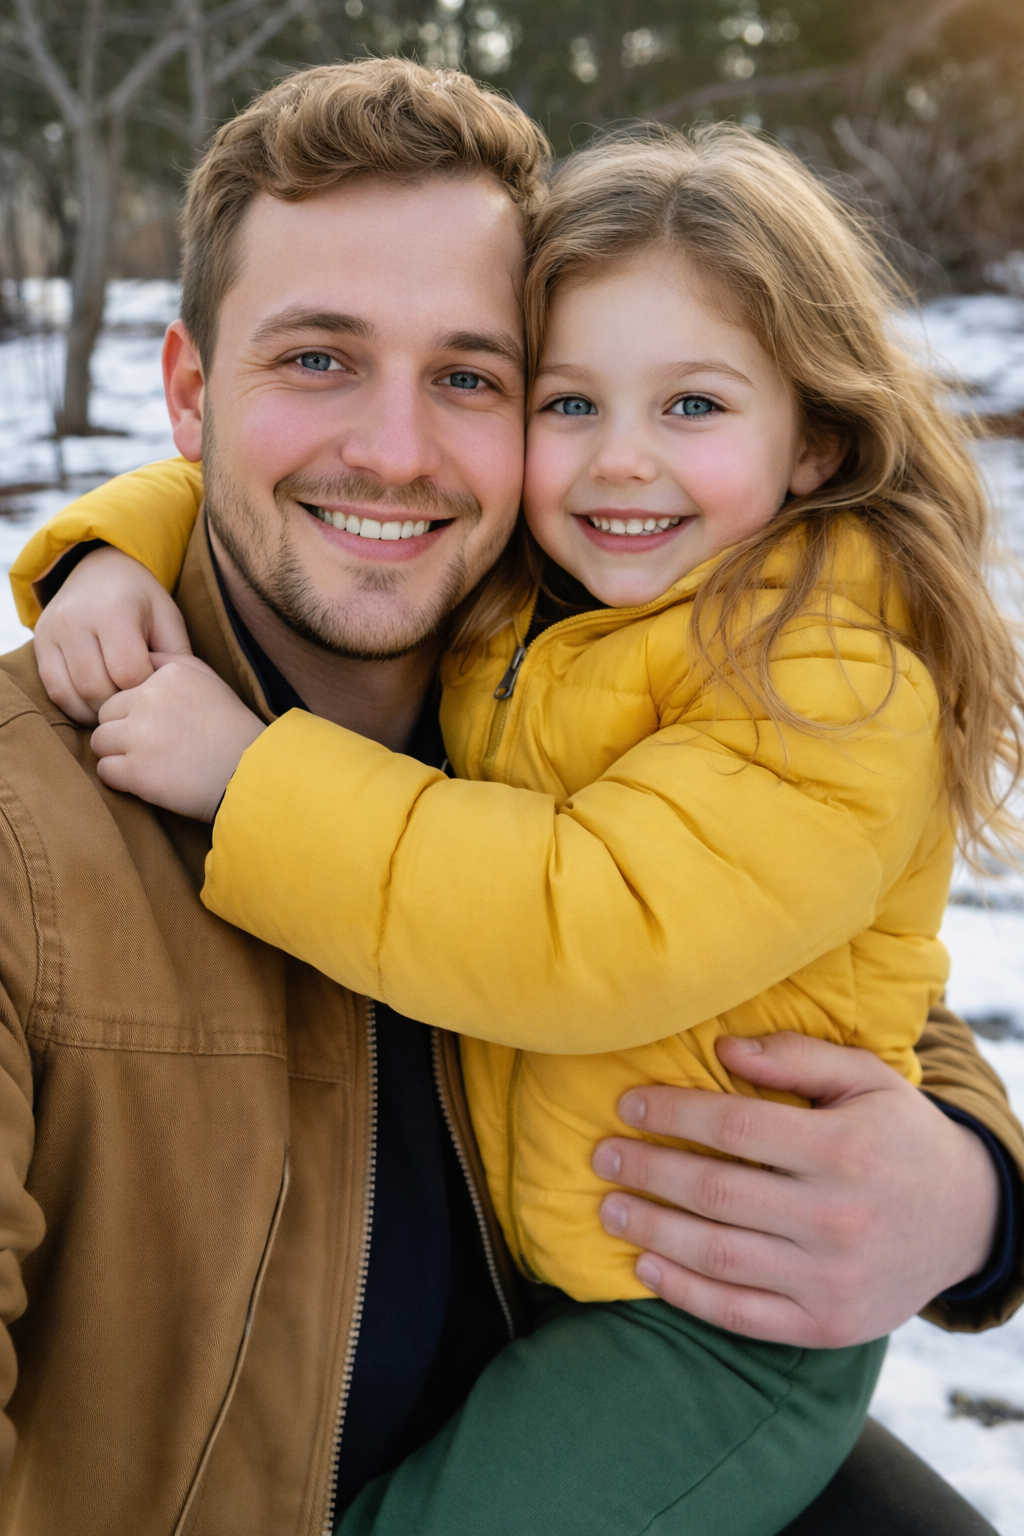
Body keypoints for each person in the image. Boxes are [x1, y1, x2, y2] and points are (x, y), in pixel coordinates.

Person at [4, 61, 1022, 1535]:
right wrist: (105, 546)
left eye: (472, 377)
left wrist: (973, 1193)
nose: (401, 453)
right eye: (315, 361)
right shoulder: (31, 833)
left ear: (810, 439)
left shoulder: (600, 634)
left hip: (660, 1348)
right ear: (188, 397)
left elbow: (771, 953)